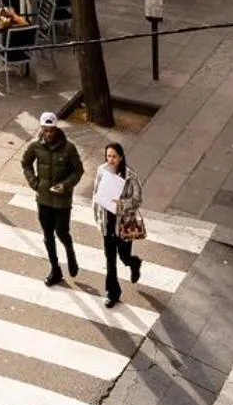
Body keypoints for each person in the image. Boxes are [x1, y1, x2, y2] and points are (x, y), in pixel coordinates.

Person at [22, 111, 85, 286]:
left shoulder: (69, 148)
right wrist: (34, 183)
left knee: (62, 232)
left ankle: (70, 255)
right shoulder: (35, 146)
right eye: (45, 130)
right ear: (41, 129)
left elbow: (78, 171)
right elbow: (25, 163)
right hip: (43, 199)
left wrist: (65, 186)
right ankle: (55, 269)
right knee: (48, 235)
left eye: (51, 130)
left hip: (62, 200)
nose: (48, 133)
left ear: (56, 129)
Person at [92, 141, 146, 307]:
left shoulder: (130, 177)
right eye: (108, 156)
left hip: (123, 224)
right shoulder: (102, 171)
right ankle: (112, 292)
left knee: (124, 256)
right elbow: (95, 194)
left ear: (121, 157)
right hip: (107, 223)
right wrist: (98, 217)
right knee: (110, 260)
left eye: (114, 156)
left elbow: (138, 200)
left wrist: (122, 204)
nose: (111, 159)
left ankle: (134, 263)